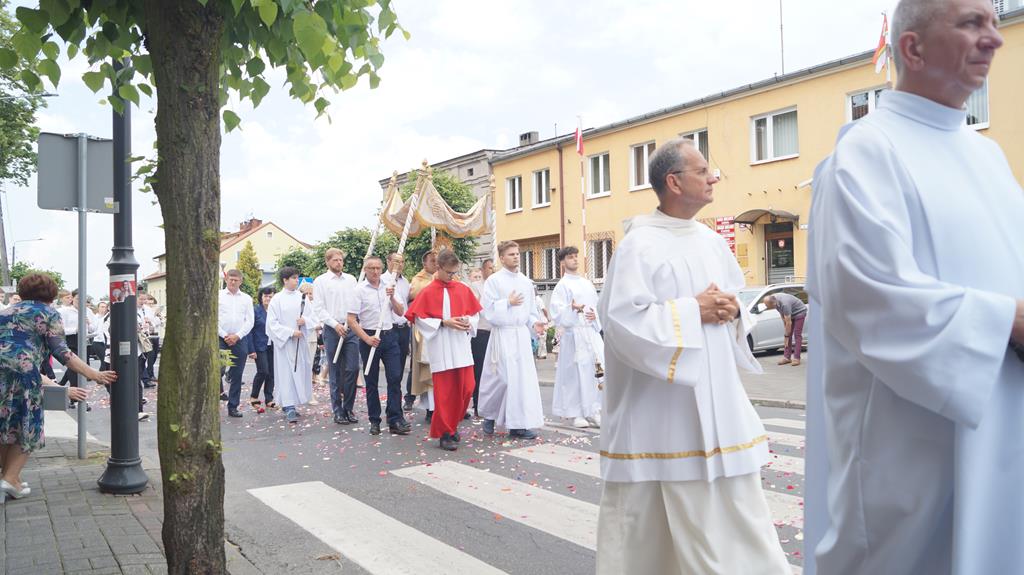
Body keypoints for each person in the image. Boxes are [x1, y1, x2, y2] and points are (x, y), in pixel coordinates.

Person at [805, 1, 1024, 573]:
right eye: (972, 23)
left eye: (994, 25)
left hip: (1007, 420)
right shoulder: (864, 150)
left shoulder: (990, 155)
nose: (993, 40)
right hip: (910, 444)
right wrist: (1007, 322)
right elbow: (866, 296)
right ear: (913, 49)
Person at [595, 138, 790, 574]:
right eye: (702, 171)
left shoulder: (710, 240)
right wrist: (692, 310)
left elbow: (735, 299)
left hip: (719, 404)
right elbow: (622, 322)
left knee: (742, 523)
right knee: (655, 540)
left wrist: (734, 310)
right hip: (663, 416)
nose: (713, 177)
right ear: (674, 182)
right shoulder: (638, 245)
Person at [0, 274, 116, 499]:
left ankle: (9, 479)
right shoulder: (48, 313)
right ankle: (9, 479)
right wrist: (95, 374)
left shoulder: (5, 313)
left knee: (5, 426)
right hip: (24, 376)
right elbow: (63, 353)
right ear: (51, 294)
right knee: (27, 426)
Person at [405, 249, 481, 450]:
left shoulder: (462, 288)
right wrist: (443, 322)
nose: (452, 276)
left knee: (467, 388)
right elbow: (419, 318)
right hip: (441, 347)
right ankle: (446, 433)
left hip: (461, 347)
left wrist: (468, 322)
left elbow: (475, 314)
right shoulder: (428, 291)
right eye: (448, 272)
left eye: (454, 272)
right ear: (438, 268)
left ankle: (452, 424)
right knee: (445, 393)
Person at [477, 241, 546, 439]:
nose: (516, 256)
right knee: (502, 379)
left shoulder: (525, 282)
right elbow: (487, 310)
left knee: (521, 382)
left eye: (517, 253)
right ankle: (490, 415)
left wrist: (535, 324)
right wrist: (507, 302)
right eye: (511, 254)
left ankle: (518, 425)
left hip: (520, 335)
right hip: (502, 334)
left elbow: (531, 311)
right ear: (502, 258)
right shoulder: (494, 281)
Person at [347, 257, 411, 436]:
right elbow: (351, 320)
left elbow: (400, 312)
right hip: (369, 336)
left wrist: (391, 298)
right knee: (372, 381)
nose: (375, 271)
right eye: (371, 268)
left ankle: (395, 419)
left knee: (394, 378)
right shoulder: (359, 290)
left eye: (378, 268)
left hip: (389, 336)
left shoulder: (389, 285)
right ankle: (374, 420)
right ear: (365, 269)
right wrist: (366, 339)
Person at [549, 246, 603, 429]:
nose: (575, 260)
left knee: (594, 373)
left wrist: (595, 315)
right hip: (574, 336)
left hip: (590, 333)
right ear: (563, 262)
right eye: (570, 257)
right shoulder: (562, 286)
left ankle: (594, 410)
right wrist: (571, 309)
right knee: (574, 375)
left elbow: (596, 306)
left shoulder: (587, 283)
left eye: (576, 256)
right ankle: (576, 413)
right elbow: (556, 312)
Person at [312, 248, 360, 425]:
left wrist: (352, 320)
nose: (339, 263)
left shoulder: (351, 279)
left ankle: (348, 407)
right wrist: (335, 324)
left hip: (351, 327)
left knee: (353, 368)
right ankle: (338, 410)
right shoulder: (321, 281)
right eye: (335, 260)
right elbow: (319, 308)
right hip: (332, 329)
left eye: (341, 260)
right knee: (335, 370)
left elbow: (356, 302)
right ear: (328, 262)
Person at [266, 267, 315, 424]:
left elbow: (312, 316)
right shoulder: (277, 299)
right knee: (286, 374)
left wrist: (305, 321)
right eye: (293, 278)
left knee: (299, 371)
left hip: (300, 344)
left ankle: (295, 402)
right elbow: (271, 324)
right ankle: (288, 406)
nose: (296, 280)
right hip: (285, 344)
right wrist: (289, 332)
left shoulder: (302, 297)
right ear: (285, 280)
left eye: (297, 277)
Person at [218, 269, 254, 418]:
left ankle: (233, 406)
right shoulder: (218, 296)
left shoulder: (246, 298)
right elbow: (213, 318)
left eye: (236, 279)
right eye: (230, 279)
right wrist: (225, 335)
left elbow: (250, 321)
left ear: (241, 281)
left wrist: (237, 336)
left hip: (239, 339)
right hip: (221, 338)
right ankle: (214, 402)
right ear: (226, 279)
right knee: (218, 370)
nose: (233, 282)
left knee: (237, 374)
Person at [407, 250, 439, 418]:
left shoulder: (446, 277)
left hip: (443, 328)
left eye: (437, 260)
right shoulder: (418, 280)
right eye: (432, 261)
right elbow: (414, 295)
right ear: (424, 264)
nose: (436, 263)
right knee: (426, 368)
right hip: (425, 328)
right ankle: (429, 407)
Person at [381, 253, 412, 411]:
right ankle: (393, 408)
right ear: (388, 262)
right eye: (396, 261)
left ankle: (393, 406)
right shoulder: (382, 280)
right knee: (393, 372)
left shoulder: (405, 282)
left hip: (403, 328)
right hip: (389, 328)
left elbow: (406, 303)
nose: (399, 265)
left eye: (402, 262)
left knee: (399, 371)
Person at [246, 286, 276, 411]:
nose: (268, 298)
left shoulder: (275, 311)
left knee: (272, 373)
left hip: (273, 346)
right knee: (263, 371)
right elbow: (249, 331)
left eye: (270, 296)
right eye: (265, 296)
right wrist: (251, 350)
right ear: (261, 297)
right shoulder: (255, 311)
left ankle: (269, 399)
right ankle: (254, 396)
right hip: (259, 346)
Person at [469, 269, 491, 418]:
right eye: (490, 268)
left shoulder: (493, 286)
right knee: (479, 370)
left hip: (494, 332)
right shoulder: (474, 287)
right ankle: (478, 404)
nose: (493, 271)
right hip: (481, 332)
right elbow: (475, 306)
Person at [761, 293, 806, 366]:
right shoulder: (773, 299)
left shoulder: (785, 304)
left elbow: (788, 322)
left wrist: (786, 336)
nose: (765, 306)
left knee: (797, 334)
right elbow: (783, 317)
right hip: (790, 313)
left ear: (773, 304)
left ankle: (797, 358)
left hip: (799, 312)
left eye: (766, 305)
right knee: (788, 334)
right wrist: (786, 332)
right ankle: (787, 358)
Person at [142, 295, 163, 385]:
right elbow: (148, 323)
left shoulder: (155, 312)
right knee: (150, 355)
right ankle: (149, 375)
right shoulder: (144, 311)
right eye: (149, 303)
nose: (150, 305)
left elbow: (160, 324)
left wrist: (159, 318)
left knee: (154, 355)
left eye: (152, 304)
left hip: (156, 335)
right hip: (148, 336)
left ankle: (149, 373)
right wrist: (152, 321)